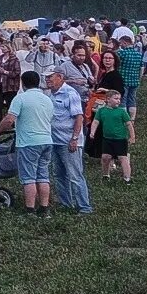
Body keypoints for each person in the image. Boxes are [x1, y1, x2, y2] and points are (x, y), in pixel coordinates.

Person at [0, 71, 55, 217]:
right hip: (46, 141)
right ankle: (44, 209)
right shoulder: (47, 99)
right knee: (43, 176)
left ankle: (30, 210)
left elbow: (9, 120)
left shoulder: (20, 98)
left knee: (29, 177)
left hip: (28, 143)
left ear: (22, 82)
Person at [46, 67, 93, 215]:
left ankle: (84, 207)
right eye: (46, 77)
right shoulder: (50, 94)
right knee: (59, 174)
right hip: (55, 141)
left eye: (50, 77)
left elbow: (79, 117)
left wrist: (74, 138)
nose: (47, 80)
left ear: (60, 77)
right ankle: (65, 203)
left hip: (68, 142)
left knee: (75, 175)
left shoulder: (70, 93)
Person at [90, 90, 134, 182]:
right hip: (107, 139)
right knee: (105, 157)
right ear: (108, 99)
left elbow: (129, 124)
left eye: (119, 99)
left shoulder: (121, 112)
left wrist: (132, 136)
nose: (118, 101)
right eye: (116, 98)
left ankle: (127, 178)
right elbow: (95, 122)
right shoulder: (101, 111)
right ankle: (106, 175)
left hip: (120, 139)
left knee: (123, 158)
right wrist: (92, 132)